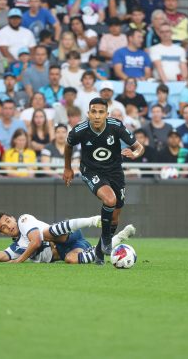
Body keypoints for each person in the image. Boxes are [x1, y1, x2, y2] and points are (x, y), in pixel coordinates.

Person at [63, 97, 144, 264]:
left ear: (107, 114)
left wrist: (135, 154)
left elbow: (139, 147)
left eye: (101, 112)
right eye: (94, 112)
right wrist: (67, 168)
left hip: (115, 172)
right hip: (90, 170)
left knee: (114, 217)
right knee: (110, 200)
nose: (97, 116)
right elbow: (68, 145)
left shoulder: (116, 126)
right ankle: (107, 239)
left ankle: (99, 253)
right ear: (88, 114)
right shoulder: (80, 130)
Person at [0, 212, 133, 264]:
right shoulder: (17, 246)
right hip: (68, 248)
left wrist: (19, 260)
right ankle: (115, 240)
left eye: (7, 221)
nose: (9, 226)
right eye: (3, 227)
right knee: (71, 260)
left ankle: (92, 220)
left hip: (66, 235)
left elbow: (36, 242)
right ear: (2, 233)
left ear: (12, 217)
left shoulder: (24, 220)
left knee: (45, 234)